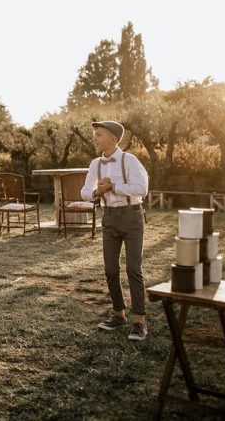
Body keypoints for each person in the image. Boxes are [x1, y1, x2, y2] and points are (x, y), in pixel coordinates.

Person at [81, 120, 149, 341]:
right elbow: (85, 191)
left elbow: (142, 188)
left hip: (131, 216)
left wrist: (114, 188)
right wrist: (96, 193)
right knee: (110, 269)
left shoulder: (130, 161)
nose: (94, 138)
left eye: (98, 135)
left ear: (113, 138)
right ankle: (118, 313)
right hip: (109, 217)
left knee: (133, 268)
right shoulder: (95, 164)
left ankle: (139, 320)